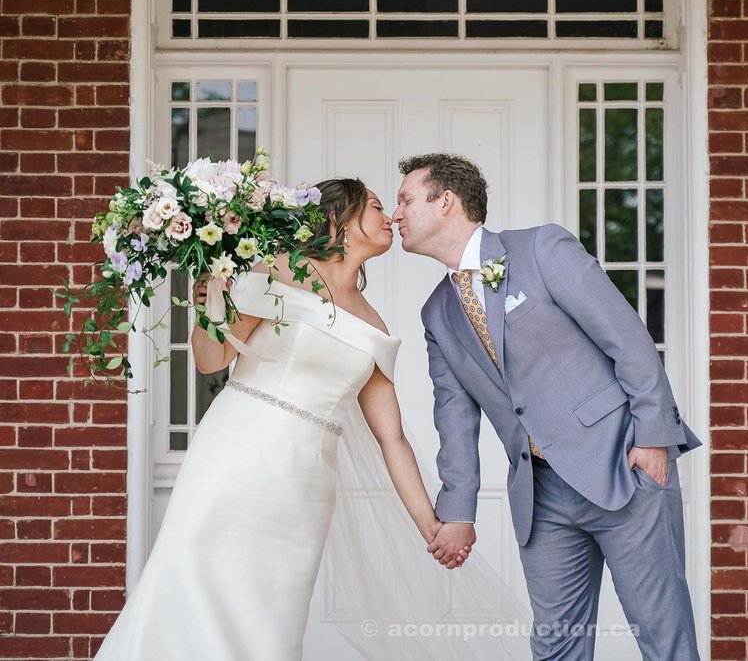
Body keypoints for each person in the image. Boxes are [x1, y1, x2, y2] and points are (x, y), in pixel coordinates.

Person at [94, 178, 529, 660]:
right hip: (234, 457)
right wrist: (210, 303)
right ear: (340, 217)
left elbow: (394, 440)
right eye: (379, 206)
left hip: (305, 484)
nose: (391, 217)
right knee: (193, 580)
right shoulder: (275, 272)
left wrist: (434, 526)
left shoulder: (375, 325)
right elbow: (210, 360)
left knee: (272, 614)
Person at [394, 153, 703, 660]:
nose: (396, 215)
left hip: (622, 467)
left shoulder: (541, 248)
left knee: (662, 638)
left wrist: (652, 440)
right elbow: (453, 417)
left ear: (445, 200)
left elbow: (628, 342)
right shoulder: (437, 313)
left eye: (406, 199)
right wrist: (457, 511)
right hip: (540, 497)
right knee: (556, 648)